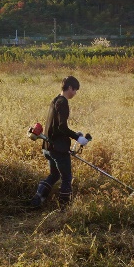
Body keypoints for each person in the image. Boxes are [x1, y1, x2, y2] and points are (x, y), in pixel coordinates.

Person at [29, 76, 89, 209]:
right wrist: (77, 138)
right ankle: (64, 209)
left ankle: (37, 200)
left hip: (48, 147)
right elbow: (62, 126)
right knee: (67, 178)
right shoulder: (63, 102)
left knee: (54, 174)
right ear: (70, 88)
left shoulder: (55, 100)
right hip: (58, 149)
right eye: (75, 90)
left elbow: (56, 126)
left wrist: (74, 134)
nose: (75, 93)